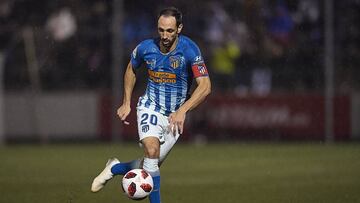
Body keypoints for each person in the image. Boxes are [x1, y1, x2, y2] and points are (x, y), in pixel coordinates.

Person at [91, 7, 211, 203]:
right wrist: (126, 102)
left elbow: (205, 87)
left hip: (175, 116)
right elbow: (131, 69)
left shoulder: (190, 50)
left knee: (148, 165)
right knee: (152, 151)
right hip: (150, 107)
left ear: (179, 28)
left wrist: (182, 110)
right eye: (161, 30)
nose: (164, 35)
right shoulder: (146, 48)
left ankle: (114, 168)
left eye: (170, 31)